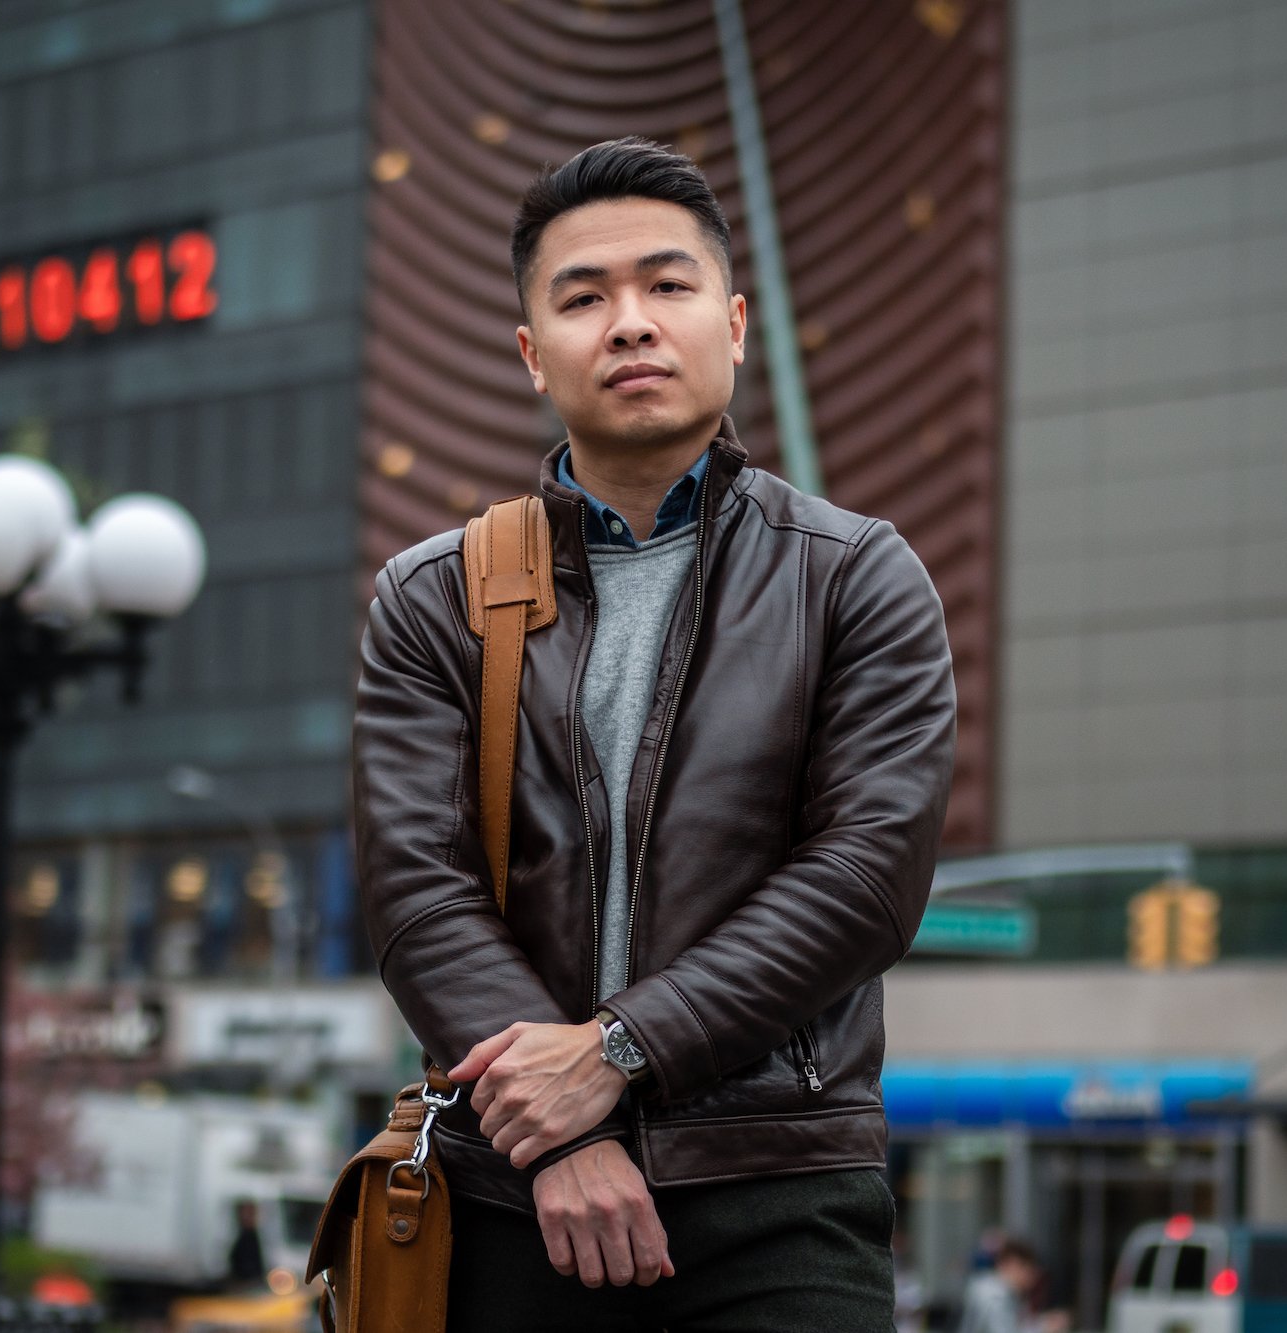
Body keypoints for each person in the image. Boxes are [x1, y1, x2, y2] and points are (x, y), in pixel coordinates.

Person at [354, 136, 957, 1331]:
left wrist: (617, 1053)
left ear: (732, 324)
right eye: (583, 298)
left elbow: (864, 878)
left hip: (779, 1190)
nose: (628, 322)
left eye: (665, 286)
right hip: (506, 1198)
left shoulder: (854, 577)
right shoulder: (436, 596)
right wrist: (551, 1135)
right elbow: (415, 890)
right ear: (532, 355)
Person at [956, 1236, 1042, 1333]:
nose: (1033, 1275)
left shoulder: (1000, 1291)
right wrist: (1042, 1328)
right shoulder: (995, 1297)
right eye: (1028, 1268)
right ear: (1011, 1264)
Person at [225, 1198, 265, 1288]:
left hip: (250, 1283)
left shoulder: (253, 1236)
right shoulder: (243, 1234)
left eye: (249, 1213)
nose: (245, 1216)